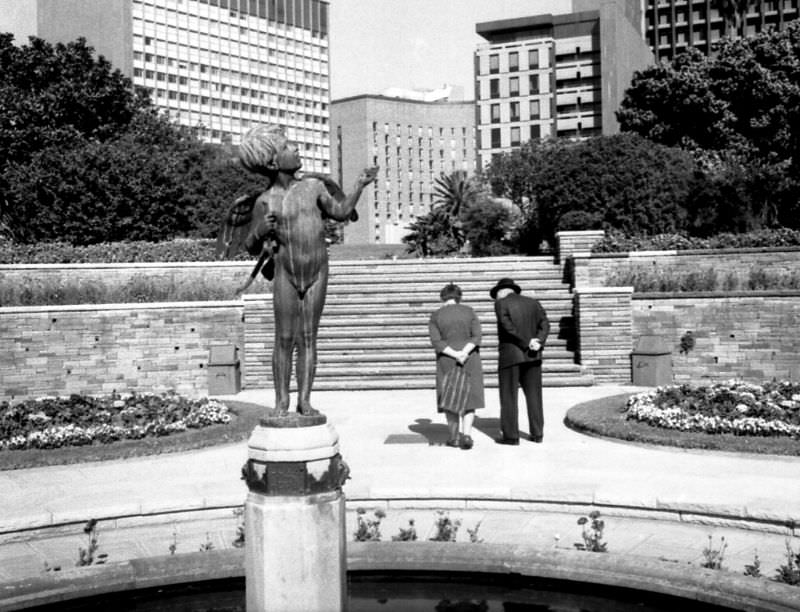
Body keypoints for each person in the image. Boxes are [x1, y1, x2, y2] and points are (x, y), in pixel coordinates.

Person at [220, 124, 377, 416]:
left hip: (317, 270)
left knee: (308, 337)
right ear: (272, 162)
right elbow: (251, 247)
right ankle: (281, 402)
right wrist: (259, 230)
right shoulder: (264, 201)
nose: (295, 149)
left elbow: (341, 213)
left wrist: (359, 185)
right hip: (286, 275)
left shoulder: (314, 187)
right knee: (284, 339)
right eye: (288, 147)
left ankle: (305, 400)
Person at [490, 277, 550, 445]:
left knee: (509, 396)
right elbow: (545, 323)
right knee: (534, 396)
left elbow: (507, 326)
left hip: (511, 355)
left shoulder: (501, 303)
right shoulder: (533, 303)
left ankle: (511, 436)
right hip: (533, 355)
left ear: (502, 292)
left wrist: (525, 342)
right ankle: (537, 434)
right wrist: (537, 341)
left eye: (496, 294)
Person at [428, 283, 485, 449]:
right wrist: (464, 353)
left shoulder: (436, 315)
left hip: (447, 359)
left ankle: (454, 437)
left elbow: (436, 341)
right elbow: (477, 336)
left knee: (450, 398)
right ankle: (466, 435)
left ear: (442, 296)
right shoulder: (469, 311)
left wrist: (454, 354)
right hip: (470, 358)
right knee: (470, 398)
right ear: (459, 296)